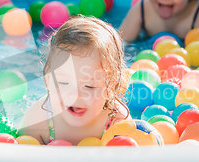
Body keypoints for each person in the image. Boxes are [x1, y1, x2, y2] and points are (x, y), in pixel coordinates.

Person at [18, 16, 129, 145]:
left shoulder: (117, 122)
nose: (75, 96)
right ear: (48, 79)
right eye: (63, 83)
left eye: (89, 86)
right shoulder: (37, 120)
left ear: (110, 87)